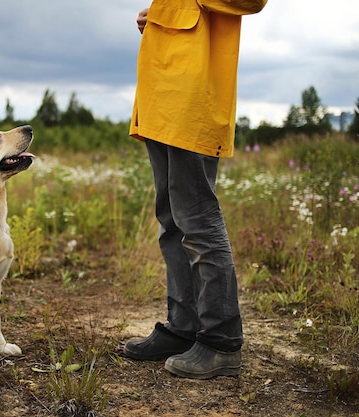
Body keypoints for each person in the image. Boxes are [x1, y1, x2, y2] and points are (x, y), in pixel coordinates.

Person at [124, 0, 267, 380]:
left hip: (192, 96)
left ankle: (221, 340)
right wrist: (159, 14)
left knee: (197, 217)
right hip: (162, 95)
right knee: (171, 219)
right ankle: (184, 327)